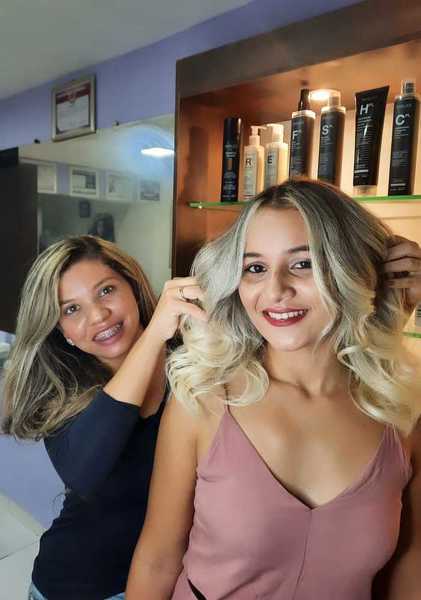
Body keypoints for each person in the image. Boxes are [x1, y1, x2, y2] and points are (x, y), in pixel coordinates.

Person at [126, 179, 421, 600]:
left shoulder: (401, 410)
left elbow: (411, 560)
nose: (276, 290)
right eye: (255, 268)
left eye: (303, 263)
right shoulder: (205, 401)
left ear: (350, 269)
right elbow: (157, 559)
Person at [1, 235, 205, 600]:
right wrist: (153, 336)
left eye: (106, 291)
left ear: (133, 286)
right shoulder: (61, 391)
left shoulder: (190, 362)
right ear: (60, 329)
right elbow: (83, 472)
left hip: (171, 582)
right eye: (71, 309)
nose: (98, 315)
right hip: (78, 587)